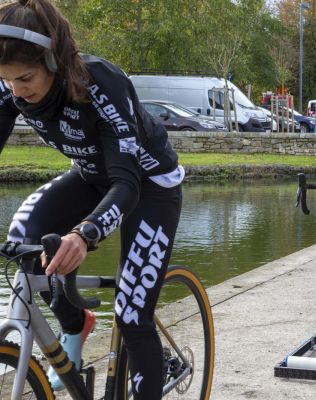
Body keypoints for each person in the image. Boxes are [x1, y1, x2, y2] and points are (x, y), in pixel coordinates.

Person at [0, 1, 183, 398]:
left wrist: (84, 234)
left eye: (25, 78)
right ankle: (74, 324)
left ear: (52, 59)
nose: (17, 91)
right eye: (8, 80)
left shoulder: (99, 83)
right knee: (22, 240)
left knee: (132, 314)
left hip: (148, 184)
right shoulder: (10, 85)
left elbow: (128, 184)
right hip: (89, 175)